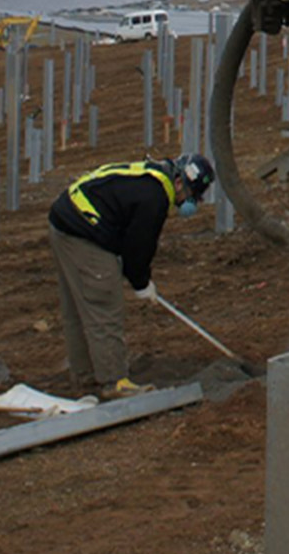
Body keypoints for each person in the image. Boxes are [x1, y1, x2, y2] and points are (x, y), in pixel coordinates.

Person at [47, 154, 214, 398]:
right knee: (104, 302)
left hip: (66, 221)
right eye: (190, 196)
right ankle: (114, 382)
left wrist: (139, 276)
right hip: (82, 231)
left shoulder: (150, 177)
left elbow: (129, 240)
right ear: (179, 183)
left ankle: (86, 378)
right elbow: (138, 247)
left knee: (80, 307)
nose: (188, 203)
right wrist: (141, 282)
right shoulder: (154, 198)